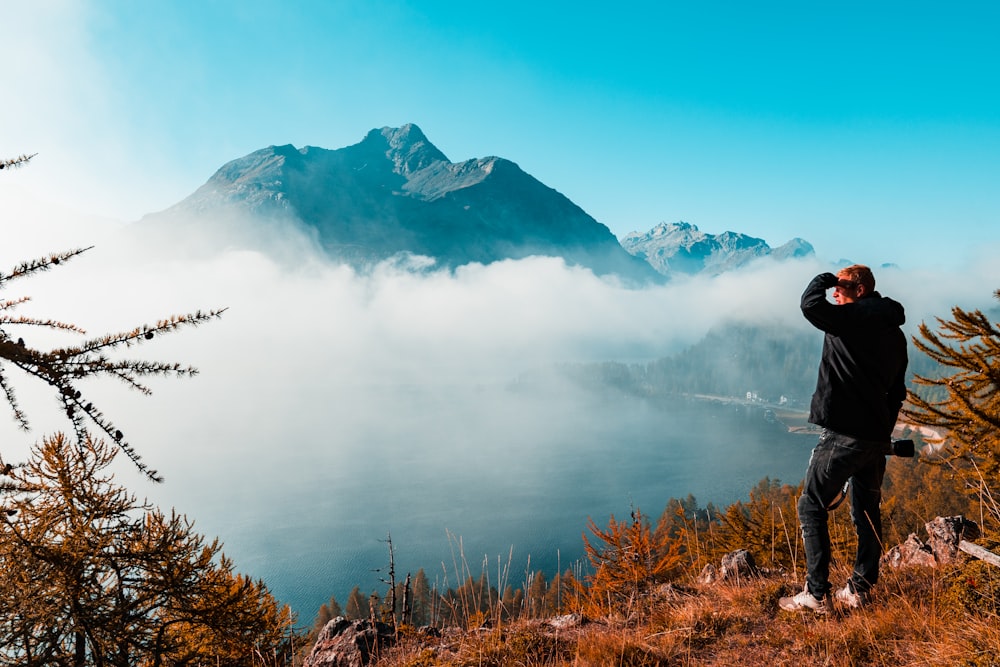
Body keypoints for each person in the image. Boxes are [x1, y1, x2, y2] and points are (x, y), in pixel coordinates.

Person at [778, 264, 908, 614]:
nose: (835, 294)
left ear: (859, 289)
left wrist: (826, 279)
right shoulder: (895, 333)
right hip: (875, 438)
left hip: (844, 434)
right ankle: (859, 589)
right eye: (835, 287)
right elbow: (897, 393)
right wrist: (883, 431)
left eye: (842, 287)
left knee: (811, 505)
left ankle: (817, 596)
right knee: (866, 512)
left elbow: (809, 304)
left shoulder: (850, 319)